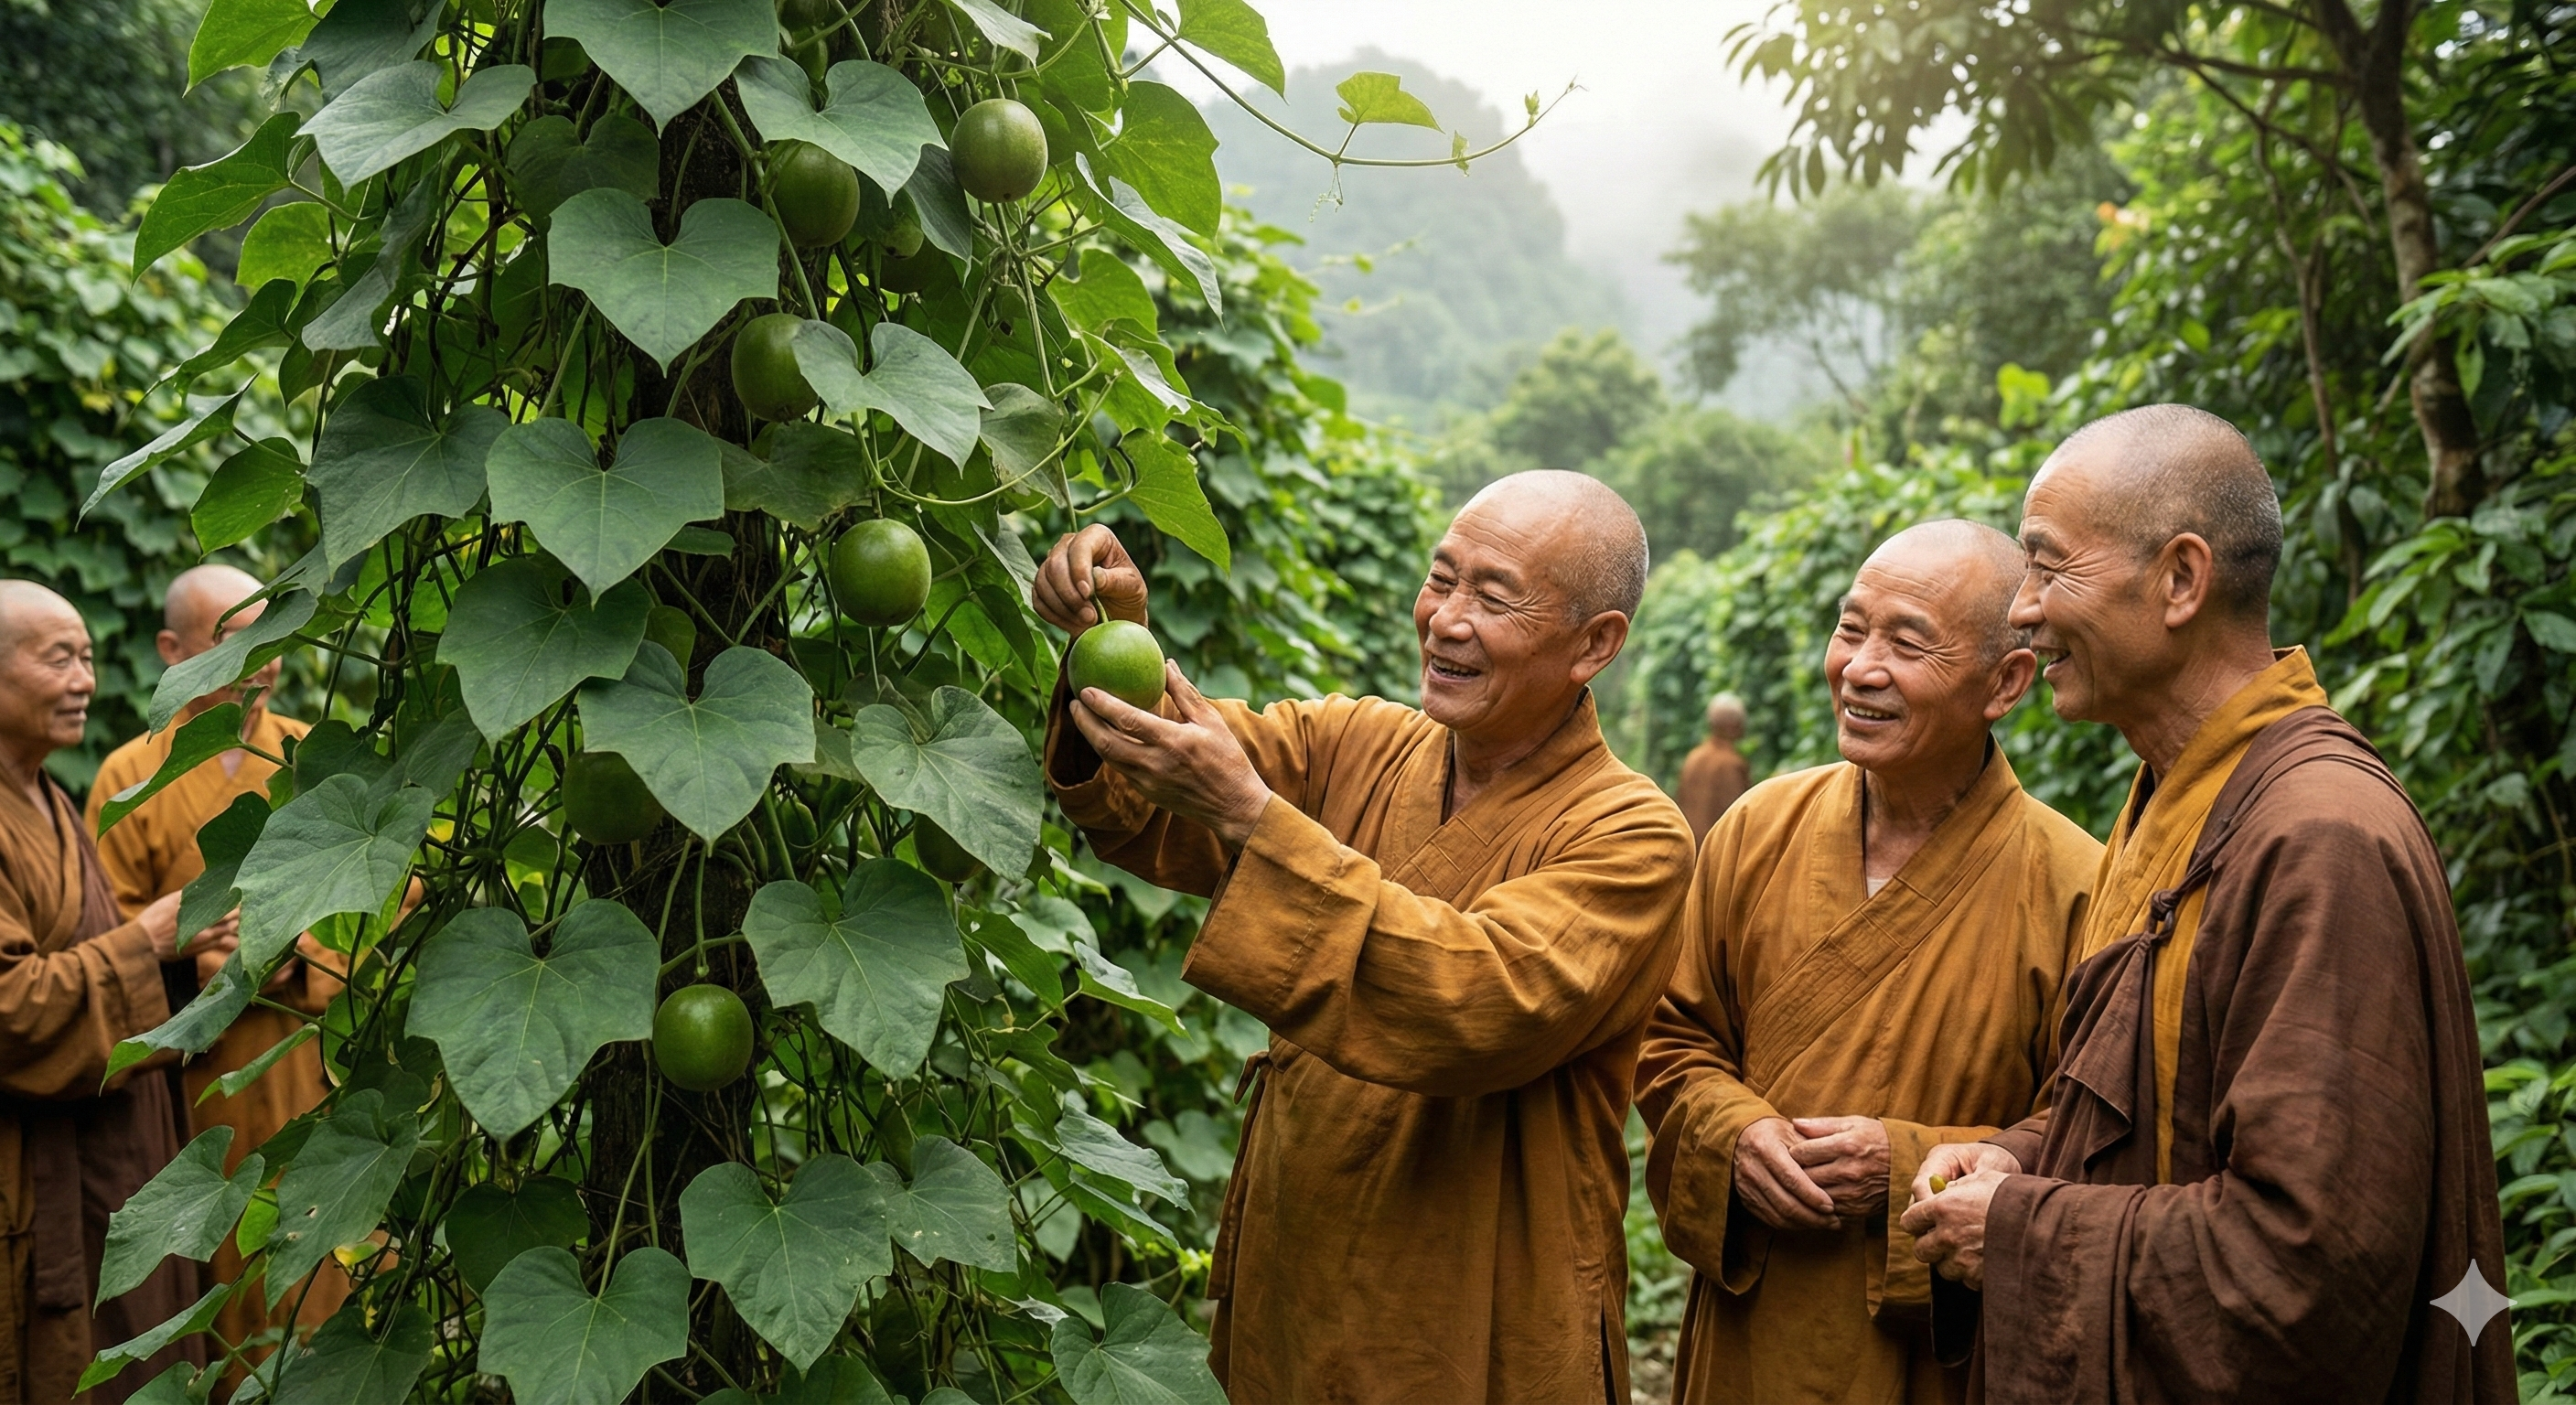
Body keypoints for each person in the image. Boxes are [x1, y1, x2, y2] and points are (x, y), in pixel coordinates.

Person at [1032, 470, 1695, 1404]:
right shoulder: (1354, 743)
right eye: (1441, 577)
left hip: (1473, 1312)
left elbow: (1474, 998)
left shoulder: (1631, 835)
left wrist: (1256, 823)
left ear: (1595, 644)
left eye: (1492, 595)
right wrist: (1118, 634)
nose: (1446, 619)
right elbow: (1158, 785)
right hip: (1294, 1281)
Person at [1899, 405, 2515, 1403]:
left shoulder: (2317, 836)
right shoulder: (2168, 803)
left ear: (2179, 579)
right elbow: (2138, 1118)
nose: (2020, 608)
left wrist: (2019, 1228)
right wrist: (2013, 1156)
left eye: (2049, 569)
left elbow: (2307, 1262)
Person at [1634, 520, 2101, 1405]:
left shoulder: (2078, 883)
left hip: (1942, 1354)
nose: (1860, 668)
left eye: (1907, 642)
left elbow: (2088, 1132)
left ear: (2005, 682)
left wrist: (1912, 1161)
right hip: (1753, 1333)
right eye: (1851, 629)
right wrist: (1734, 1133)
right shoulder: (1756, 830)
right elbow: (1671, 1038)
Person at [84, 565, 347, 1362]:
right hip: (191, 1092)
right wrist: (189, 962)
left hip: (308, 1067)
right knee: (207, 1302)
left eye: (272, 640)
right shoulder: (131, 776)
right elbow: (105, 927)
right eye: (234, 640)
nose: (261, 661)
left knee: (320, 1296)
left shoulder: (312, 755)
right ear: (173, 649)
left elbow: (387, 898)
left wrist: (296, 951)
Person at [0, 580, 237, 1402]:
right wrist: (144, 944)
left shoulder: (53, 804)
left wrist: (180, 954)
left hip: (120, 1164)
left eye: (90, 658)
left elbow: (89, 957)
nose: (85, 681)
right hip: (43, 1179)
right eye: (58, 658)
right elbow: (9, 1010)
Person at [1677, 692, 1752, 842]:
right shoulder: (1731, 763)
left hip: (1689, 844)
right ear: (1733, 726)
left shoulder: (1693, 757)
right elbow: (1739, 814)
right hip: (1717, 847)